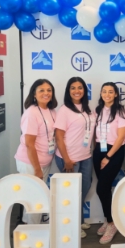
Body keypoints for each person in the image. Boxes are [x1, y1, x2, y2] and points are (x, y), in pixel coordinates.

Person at [54, 77, 96, 238]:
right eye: (73, 88)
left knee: (82, 190)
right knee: (71, 193)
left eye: (80, 87)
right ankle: (71, 225)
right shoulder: (64, 110)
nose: (77, 91)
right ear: (68, 91)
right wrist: (67, 160)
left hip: (86, 157)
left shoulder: (87, 109)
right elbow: (59, 137)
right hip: (70, 159)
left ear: (84, 90)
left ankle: (78, 220)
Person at [15, 79, 57, 224]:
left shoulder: (51, 111)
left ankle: (36, 229)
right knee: (33, 198)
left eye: (49, 90)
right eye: (41, 90)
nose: (46, 93)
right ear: (34, 93)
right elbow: (29, 144)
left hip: (44, 162)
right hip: (31, 163)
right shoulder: (31, 113)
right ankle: (30, 232)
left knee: (38, 197)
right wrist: (37, 169)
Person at [93, 82, 125, 244]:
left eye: (110, 92)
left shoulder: (121, 112)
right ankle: (109, 219)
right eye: (104, 91)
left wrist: (108, 157)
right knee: (104, 188)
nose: (107, 94)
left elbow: (121, 137)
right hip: (98, 150)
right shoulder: (97, 110)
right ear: (101, 93)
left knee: (101, 187)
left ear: (116, 94)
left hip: (113, 152)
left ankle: (112, 223)